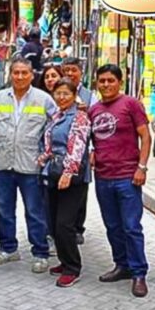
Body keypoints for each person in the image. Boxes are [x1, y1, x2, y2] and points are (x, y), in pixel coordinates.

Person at [0, 57, 56, 271]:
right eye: (16, 72)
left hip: (30, 164)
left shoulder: (43, 99)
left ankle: (40, 252)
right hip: (3, 162)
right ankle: (8, 248)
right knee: (4, 209)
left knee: (34, 210)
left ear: (32, 75)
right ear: (10, 74)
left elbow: (55, 127)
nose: (20, 77)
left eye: (25, 73)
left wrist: (47, 153)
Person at [89, 64, 152, 298]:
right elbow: (91, 140)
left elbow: (146, 137)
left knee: (132, 227)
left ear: (120, 83)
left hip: (127, 177)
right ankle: (122, 265)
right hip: (103, 177)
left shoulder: (131, 105)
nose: (106, 84)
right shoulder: (93, 110)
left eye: (110, 80)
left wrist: (142, 167)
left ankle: (139, 273)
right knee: (113, 226)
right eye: (102, 81)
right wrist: (92, 153)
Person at [38, 79, 91, 287]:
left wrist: (69, 172)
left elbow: (77, 146)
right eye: (58, 93)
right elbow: (52, 144)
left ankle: (73, 267)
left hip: (71, 177)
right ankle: (64, 260)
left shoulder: (80, 117)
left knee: (64, 225)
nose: (61, 97)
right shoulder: (57, 115)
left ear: (74, 95)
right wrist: (44, 157)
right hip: (53, 173)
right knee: (52, 221)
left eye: (65, 94)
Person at [61, 57, 98, 244]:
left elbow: (96, 124)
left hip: (82, 150)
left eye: (73, 70)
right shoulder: (58, 91)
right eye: (66, 70)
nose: (69, 74)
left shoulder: (90, 95)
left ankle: (77, 227)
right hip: (61, 149)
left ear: (80, 72)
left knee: (80, 189)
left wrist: (93, 150)